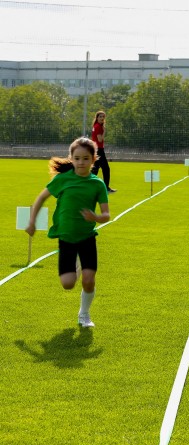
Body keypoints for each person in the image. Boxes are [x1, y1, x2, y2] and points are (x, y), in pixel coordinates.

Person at [25, 137, 111, 328]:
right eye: (77, 158)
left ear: (93, 159)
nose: (81, 162)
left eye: (86, 158)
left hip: (87, 238)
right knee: (68, 284)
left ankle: (84, 314)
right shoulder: (62, 180)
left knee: (88, 281)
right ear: (71, 159)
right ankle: (78, 266)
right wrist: (32, 221)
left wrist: (96, 217)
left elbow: (106, 215)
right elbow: (41, 198)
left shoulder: (97, 184)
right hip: (66, 238)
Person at [90, 111, 116, 193]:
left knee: (95, 169)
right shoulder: (98, 127)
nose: (102, 118)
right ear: (97, 118)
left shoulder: (96, 126)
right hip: (99, 150)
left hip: (96, 149)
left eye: (103, 117)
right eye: (100, 116)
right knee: (106, 169)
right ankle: (106, 188)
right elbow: (100, 139)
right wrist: (104, 131)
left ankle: (88, 185)